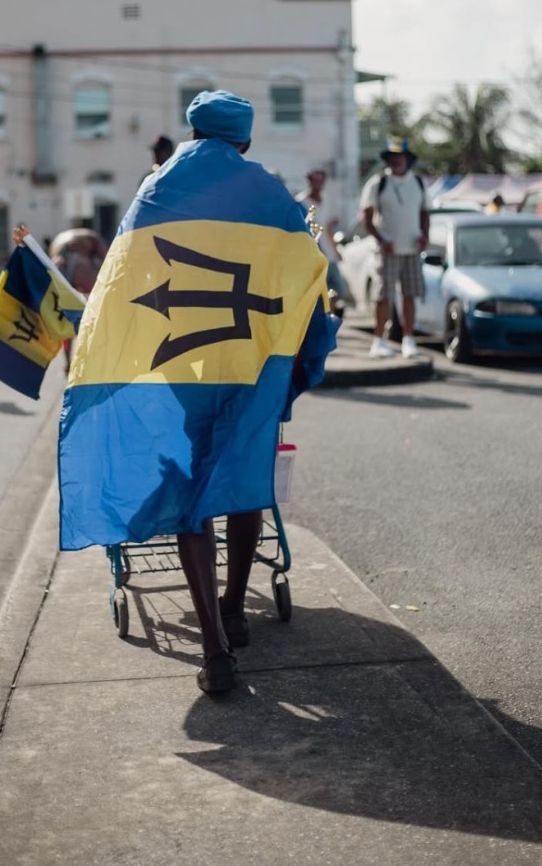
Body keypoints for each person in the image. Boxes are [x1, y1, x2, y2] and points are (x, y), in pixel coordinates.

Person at [58, 90, 337, 695]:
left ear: (191, 130)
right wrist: (308, 350)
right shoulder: (267, 192)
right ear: (245, 140)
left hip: (179, 364)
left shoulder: (155, 189)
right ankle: (236, 604)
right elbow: (308, 279)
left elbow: (118, 283)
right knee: (241, 478)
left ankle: (213, 647)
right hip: (249, 362)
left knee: (191, 494)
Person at [359, 138, 429, 359]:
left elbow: (425, 213)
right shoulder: (378, 183)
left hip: (411, 249)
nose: (397, 160)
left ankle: (408, 339)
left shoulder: (418, 182)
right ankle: (379, 340)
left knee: (410, 295)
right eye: (393, 157)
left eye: (401, 157)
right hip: (387, 250)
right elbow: (367, 219)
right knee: (383, 296)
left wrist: (424, 235)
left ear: (408, 159)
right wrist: (382, 239)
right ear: (388, 159)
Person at [47, 228, 109, 371]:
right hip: (81, 266)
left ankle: (68, 363)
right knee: (95, 311)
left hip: (59, 266)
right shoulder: (93, 237)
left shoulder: (59, 240)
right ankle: (92, 358)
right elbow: (108, 262)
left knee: (67, 317)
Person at [295, 167, 346, 301]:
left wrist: (335, 250)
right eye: (314, 181)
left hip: (328, 253)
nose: (317, 185)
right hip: (312, 253)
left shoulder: (325, 199)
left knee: (335, 290)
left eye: (320, 181)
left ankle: (329, 317)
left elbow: (328, 227)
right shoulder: (301, 202)